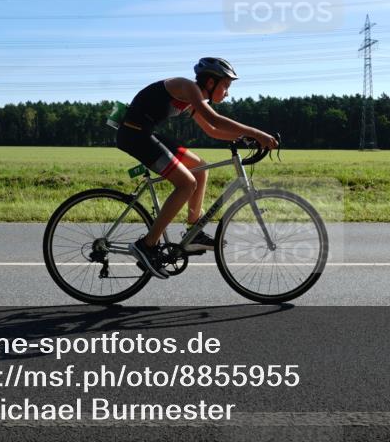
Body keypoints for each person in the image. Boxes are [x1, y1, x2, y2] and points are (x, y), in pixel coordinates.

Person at [115, 57, 279, 279]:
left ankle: (194, 231)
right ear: (211, 82)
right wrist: (257, 133)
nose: (228, 93)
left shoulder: (194, 97)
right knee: (186, 184)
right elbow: (215, 119)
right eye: (226, 86)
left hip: (146, 132)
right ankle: (147, 244)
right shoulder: (187, 87)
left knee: (200, 168)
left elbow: (212, 129)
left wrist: (243, 137)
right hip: (134, 134)